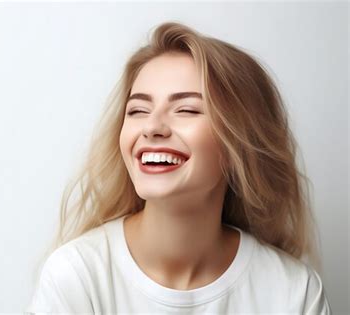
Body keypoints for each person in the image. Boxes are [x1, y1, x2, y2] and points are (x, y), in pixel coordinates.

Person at [25, 21, 332, 314]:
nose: (152, 127)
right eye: (138, 110)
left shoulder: (293, 291)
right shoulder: (77, 276)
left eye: (186, 109)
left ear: (240, 141)